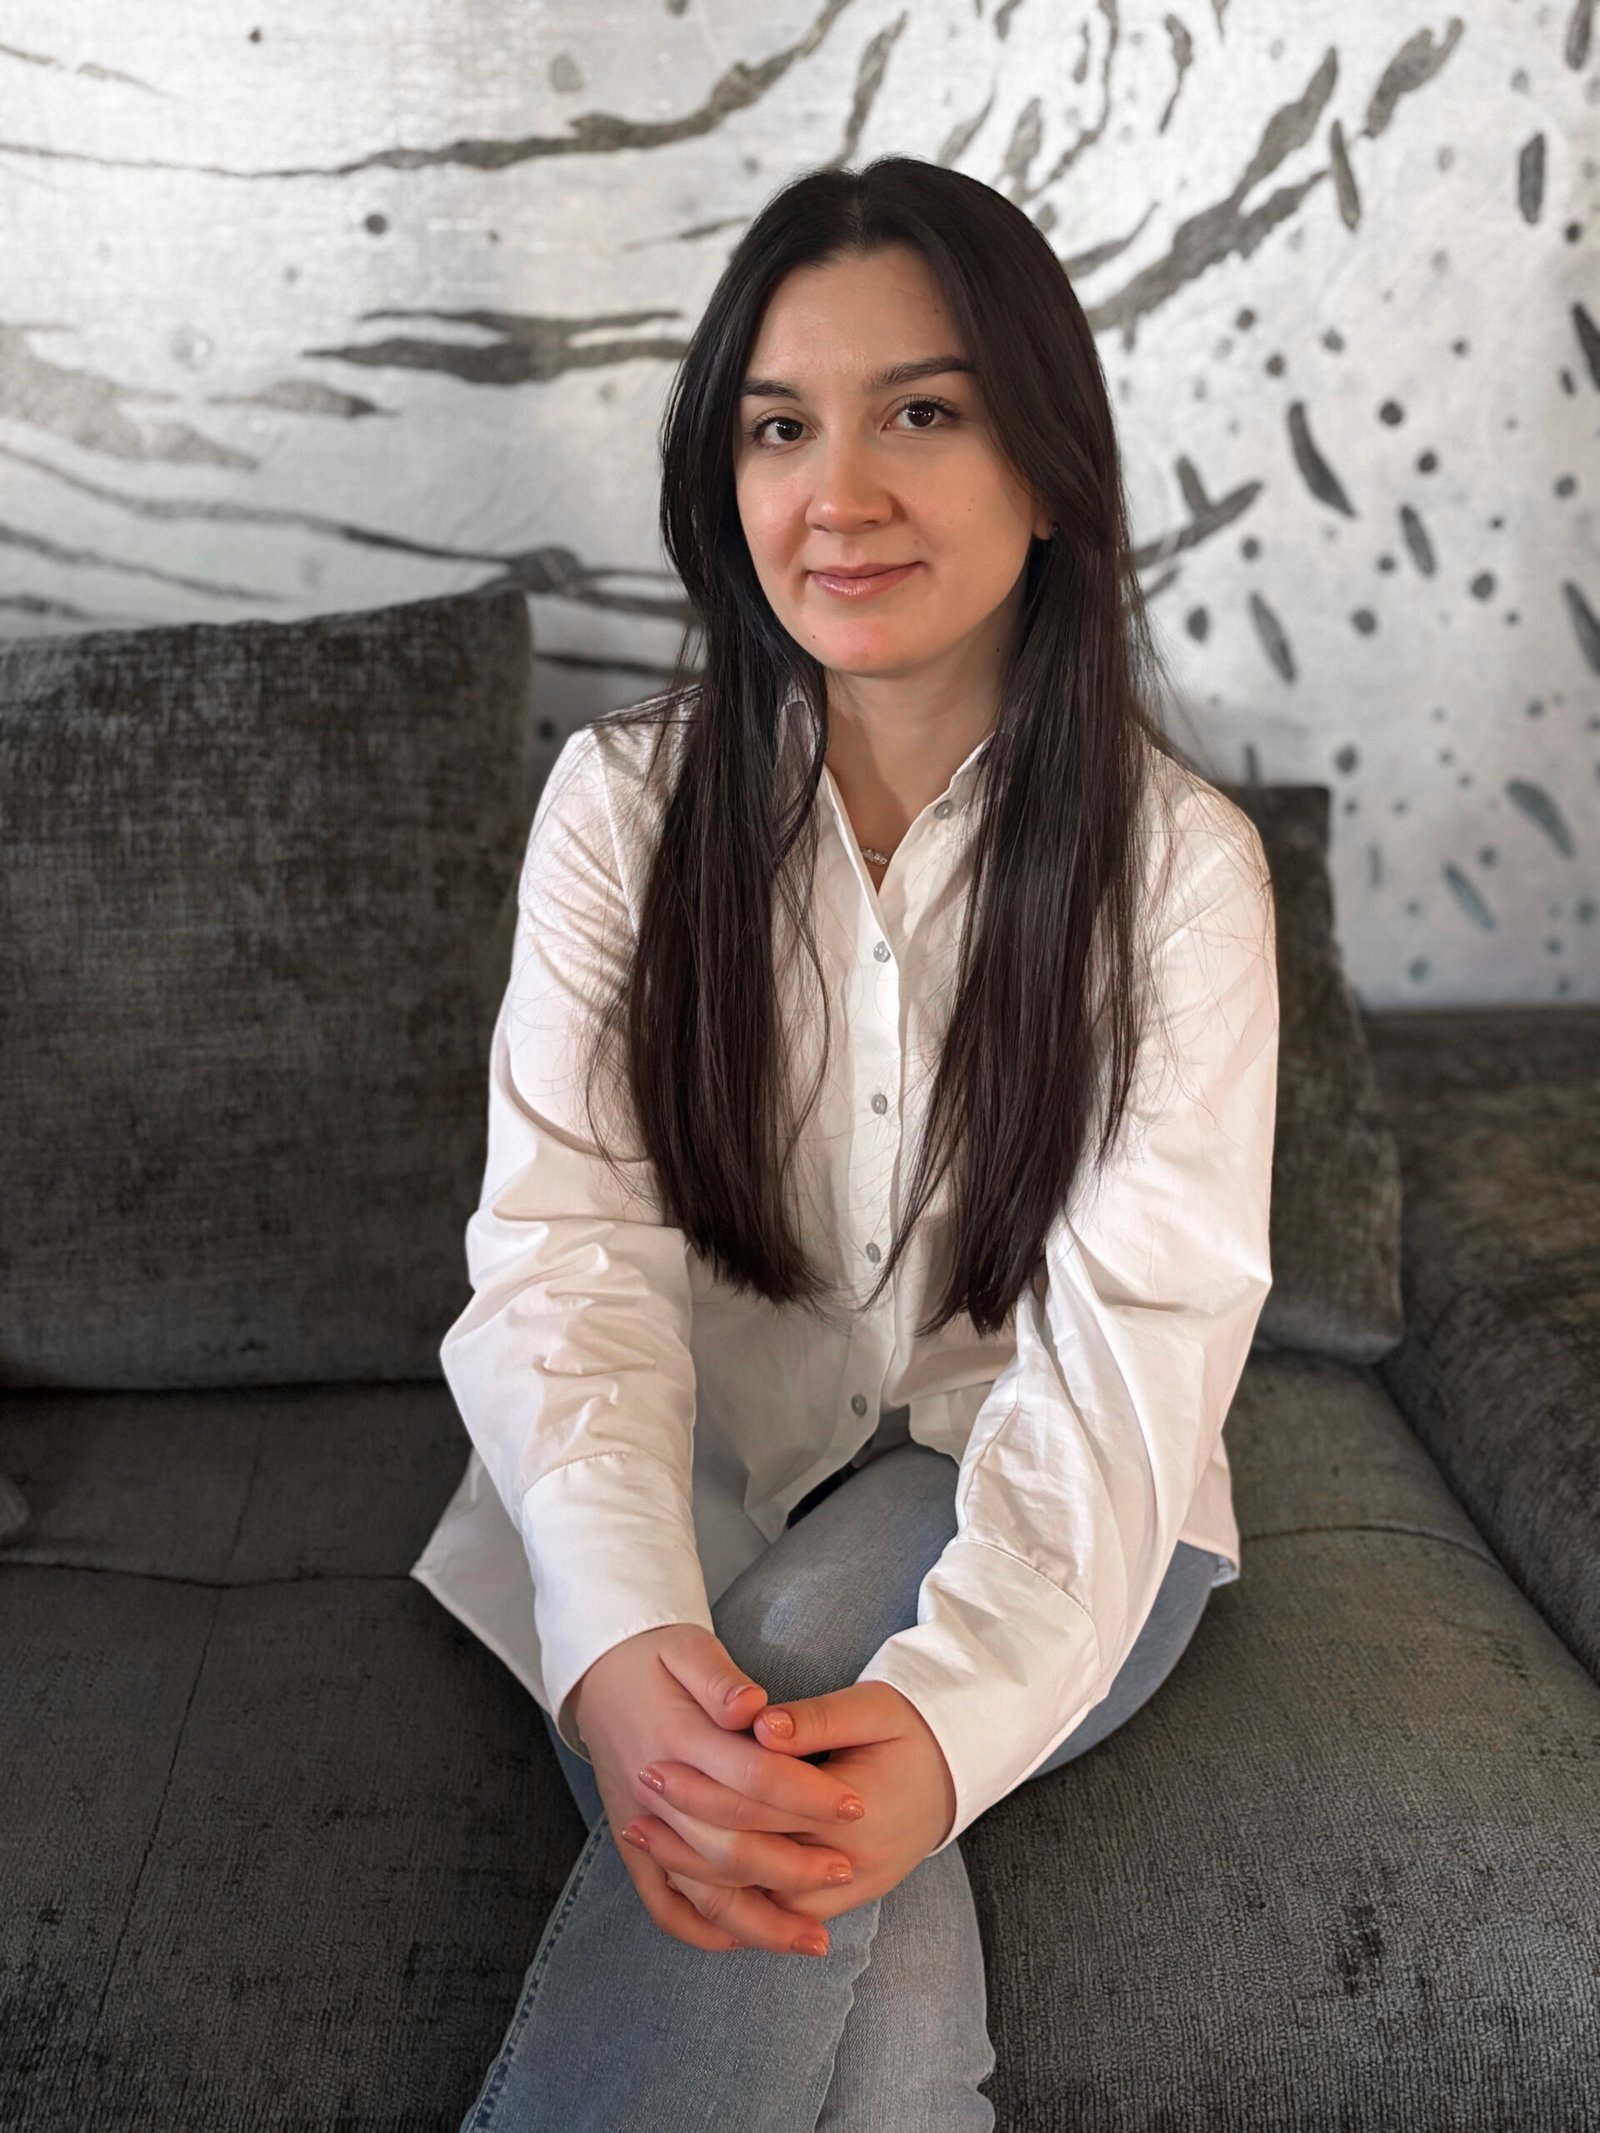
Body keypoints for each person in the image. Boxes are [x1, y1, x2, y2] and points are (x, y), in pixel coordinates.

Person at [409, 153, 1278, 2131]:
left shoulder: (1177, 872)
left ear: (1046, 465)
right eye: (778, 426)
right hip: (677, 1482)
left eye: (922, 411)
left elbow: (1127, 1348)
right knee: (838, 1962)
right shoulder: (620, 811)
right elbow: (567, 1259)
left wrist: (935, 1717)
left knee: (792, 1711)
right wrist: (621, 1641)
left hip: (1049, 1497)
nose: (838, 490)